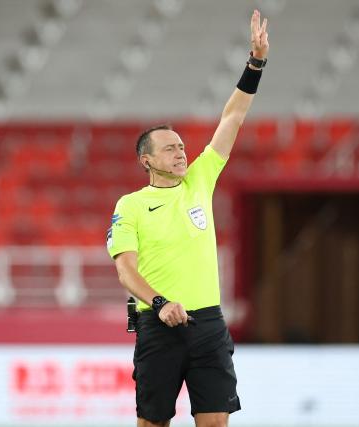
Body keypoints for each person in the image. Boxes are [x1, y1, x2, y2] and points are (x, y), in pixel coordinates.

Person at [106, 9, 269, 427]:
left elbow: (232, 117)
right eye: (169, 149)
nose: (181, 152)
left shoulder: (200, 181)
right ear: (147, 160)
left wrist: (255, 62)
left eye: (182, 146)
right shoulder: (131, 205)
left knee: (215, 422)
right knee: (153, 423)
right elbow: (126, 271)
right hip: (157, 326)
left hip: (209, 324)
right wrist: (159, 304)